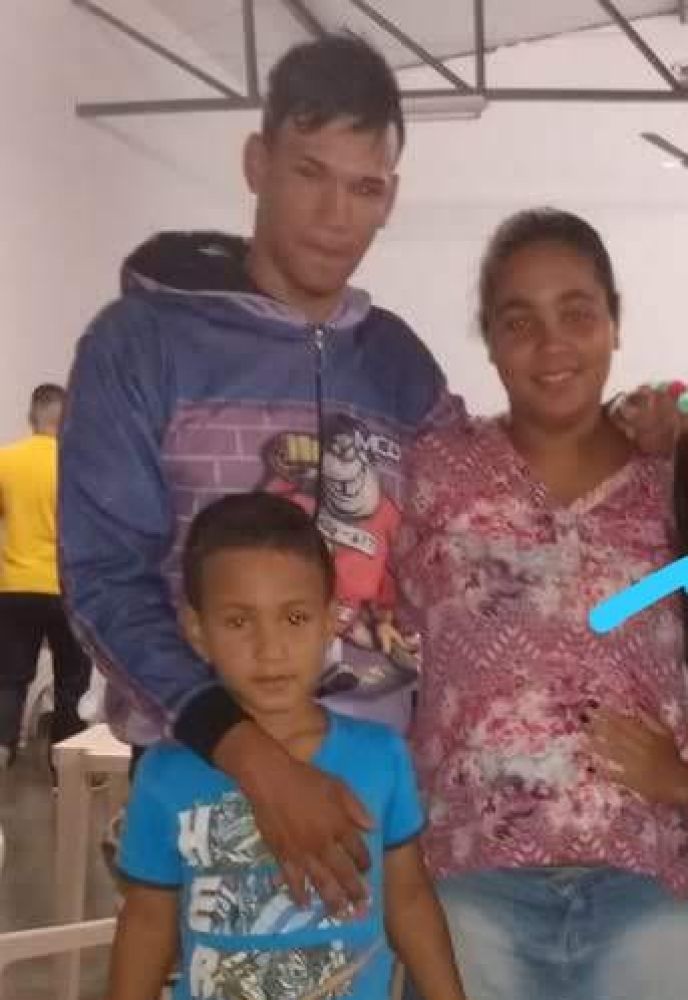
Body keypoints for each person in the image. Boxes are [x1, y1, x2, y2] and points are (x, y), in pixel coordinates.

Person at [59, 32, 675, 911]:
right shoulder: (142, 347)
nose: (333, 215)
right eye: (309, 172)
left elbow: (507, 489)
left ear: (390, 197)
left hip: (381, 790)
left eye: (365, 187)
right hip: (210, 778)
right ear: (256, 162)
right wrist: (252, 757)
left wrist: (648, 427)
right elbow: (102, 580)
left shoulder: (397, 366)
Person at [396, 208, 688, 1000]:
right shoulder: (436, 476)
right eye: (519, 321)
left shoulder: (671, 484)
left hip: (651, 887)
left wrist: (682, 780)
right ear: (489, 340)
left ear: (615, 323)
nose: (552, 344)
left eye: (577, 313)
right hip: (469, 883)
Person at [107, 492, 466, 1000]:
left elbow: (408, 900)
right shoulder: (165, 776)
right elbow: (147, 923)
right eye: (238, 621)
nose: (269, 650)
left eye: (294, 618)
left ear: (330, 620)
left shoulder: (380, 758)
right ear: (197, 631)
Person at [0, 384, 89, 766]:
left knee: (10, 679)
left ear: (31, 417)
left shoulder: (6, 460)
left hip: (15, 587)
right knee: (71, 682)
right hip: (70, 589)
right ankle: (61, 772)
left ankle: (2, 751)